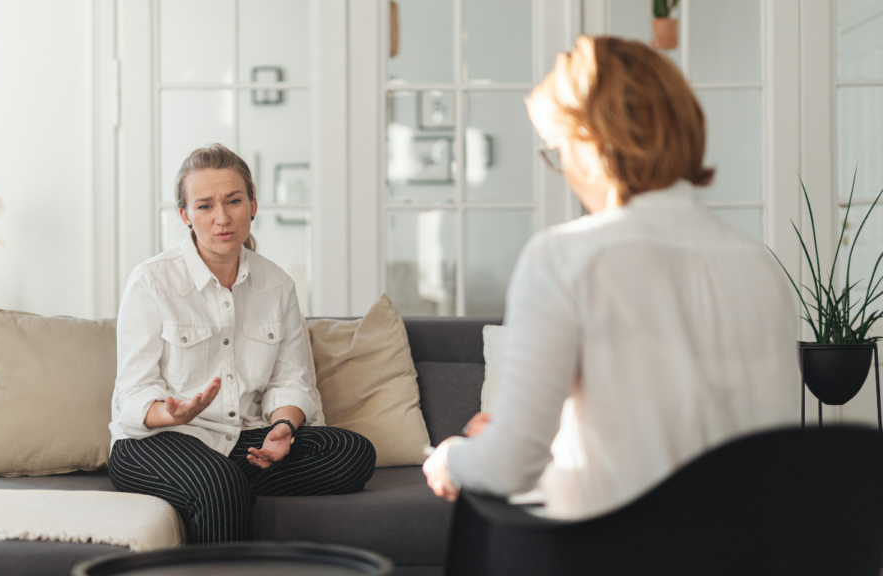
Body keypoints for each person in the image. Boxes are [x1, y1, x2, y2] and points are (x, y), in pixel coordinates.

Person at [423, 36, 799, 518]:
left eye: (558, 150)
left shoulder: (564, 256)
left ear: (590, 144)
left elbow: (508, 467)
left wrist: (453, 458)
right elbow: (700, 436)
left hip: (618, 553)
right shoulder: (761, 266)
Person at [108, 143, 376, 543]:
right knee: (220, 484)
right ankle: (216, 490)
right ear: (185, 215)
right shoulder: (151, 281)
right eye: (204, 206)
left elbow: (292, 381)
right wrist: (172, 414)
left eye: (233, 201)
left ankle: (214, 492)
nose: (222, 218)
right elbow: (132, 393)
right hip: (158, 440)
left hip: (243, 441)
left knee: (352, 452)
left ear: (253, 204)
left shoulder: (277, 284)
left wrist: (283, 426)